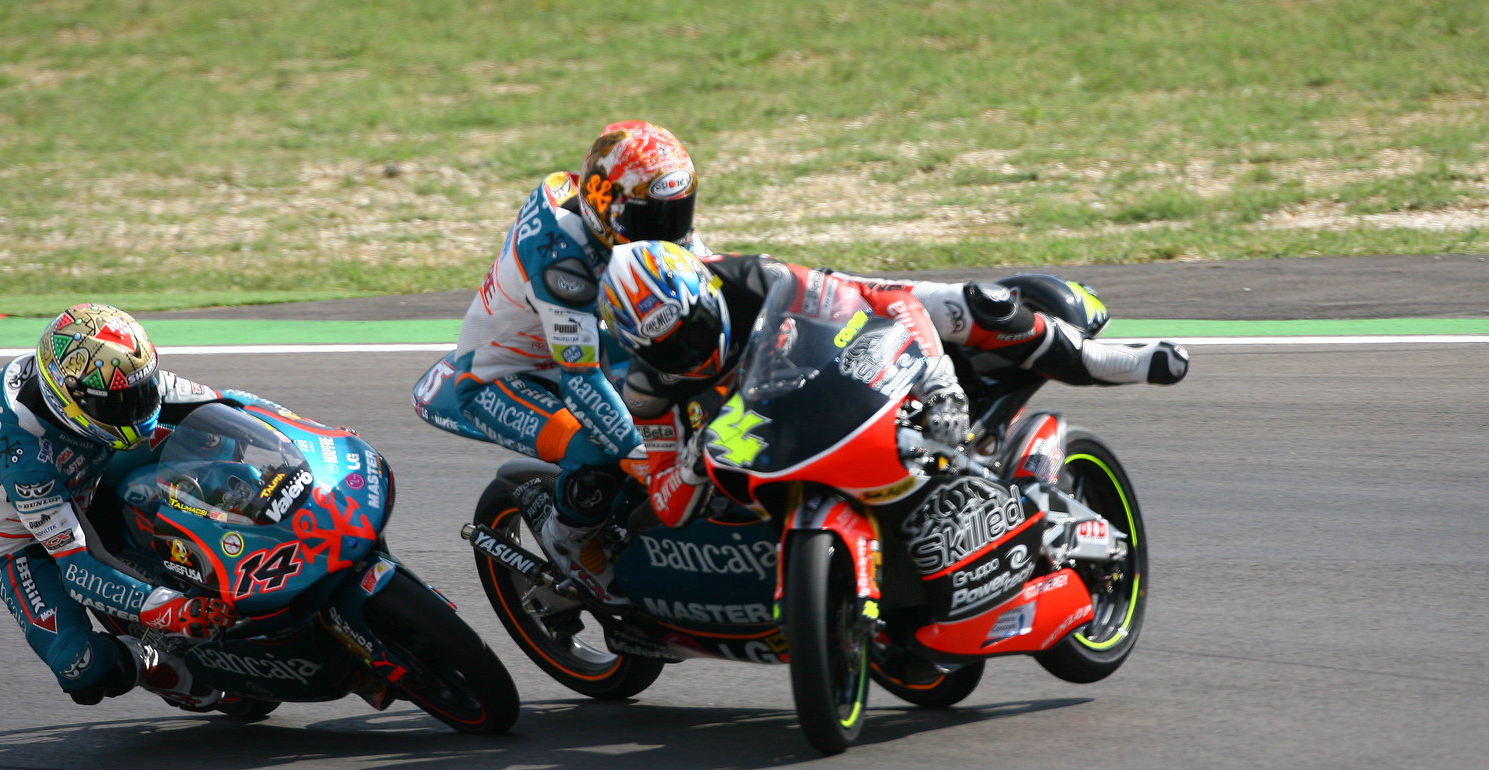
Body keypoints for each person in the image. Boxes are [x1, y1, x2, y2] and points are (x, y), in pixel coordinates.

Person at [598, 241, 1191, 529]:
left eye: (694, 329)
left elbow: (863, 307)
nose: (689, 351)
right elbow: (666, 503)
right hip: (763, 452)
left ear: (706, 295)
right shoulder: (646, 390)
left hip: (838, 352)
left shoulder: (751, 278)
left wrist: (939, 387)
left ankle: (1108, 359)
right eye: (667, 347)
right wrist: (691, 466)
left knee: (972, 306)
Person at [439, 120, 708, 603]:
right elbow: (581, 380)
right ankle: (570, 542)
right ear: (607, 208)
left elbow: (709, 280)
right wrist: (641, 457)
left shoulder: (635, 219)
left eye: (677, 213)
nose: (668, 233)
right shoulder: (561, 254)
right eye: (654, 219)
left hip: (583, 340)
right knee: (599, 448)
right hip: (503, 376)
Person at [0, 303, 247, 709]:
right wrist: (173, 611)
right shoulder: (24, 461)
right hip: (23, 541)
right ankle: (149, 663)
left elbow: (224, 404)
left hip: (90, 467)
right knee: (81, 668)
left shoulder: (97, 374)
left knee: (213, 435)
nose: (138, 407)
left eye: (142, 389)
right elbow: (78, 569)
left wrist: (313, 433)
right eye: (120, 403)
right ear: (68, 401)